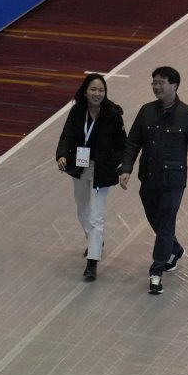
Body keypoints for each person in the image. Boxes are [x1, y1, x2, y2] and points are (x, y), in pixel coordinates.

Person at [120, 66, 188, 295]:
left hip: (173, 182)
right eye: (154, 83)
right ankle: (175, 250)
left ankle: (156, 271)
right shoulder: (146, 111)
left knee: (165, 224)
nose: (156, 87)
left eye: (161, 83)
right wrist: (126, 168)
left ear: (174, 85)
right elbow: (133, 142)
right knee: (158, 222)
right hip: (148, 179)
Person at [55, 73, 127, 281]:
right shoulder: (77, 111)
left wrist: (111, 165)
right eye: (93, 89)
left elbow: (121, 146)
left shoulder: (113, 114)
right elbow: (67, 135)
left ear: (105, 93)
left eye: (101, 90)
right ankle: (96, 240)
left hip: (101, 171)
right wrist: (61, 155)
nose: (97, 93)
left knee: (96, 215)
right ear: (85, 91)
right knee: (82, 211)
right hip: (80, 167)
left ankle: (92, 261)